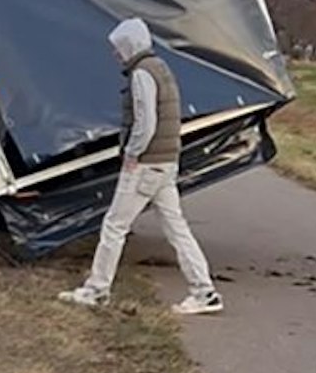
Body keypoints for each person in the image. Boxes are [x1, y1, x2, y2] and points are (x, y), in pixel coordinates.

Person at [58, 17, 223, 314]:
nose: (115, 54)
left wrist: (132, 154)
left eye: (117, 48)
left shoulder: (141, 74)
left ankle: (97, 290)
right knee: (177, 229)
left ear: (129, 45)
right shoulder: (161, 68)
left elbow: (146, 122)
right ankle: (204, 291)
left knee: (113, 226)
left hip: (146, 165)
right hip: (165, 163)